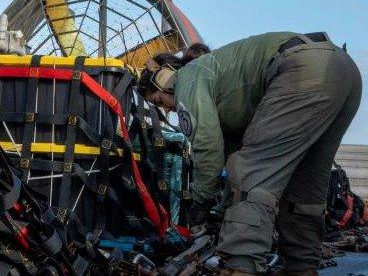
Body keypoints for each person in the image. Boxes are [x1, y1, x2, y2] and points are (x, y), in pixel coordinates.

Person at [138, 32, 362, 275]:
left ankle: (240, 267)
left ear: (164, 79)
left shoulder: (187, 79)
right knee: (304, 186)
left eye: (159, 101)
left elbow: (208, 149)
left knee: (253, 175)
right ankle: (301, 267)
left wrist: (200, 205)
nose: (168, 110)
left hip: (301, 72)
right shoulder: (226, 95)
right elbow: (232, 161)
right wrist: (221, 211)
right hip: (344, 71)